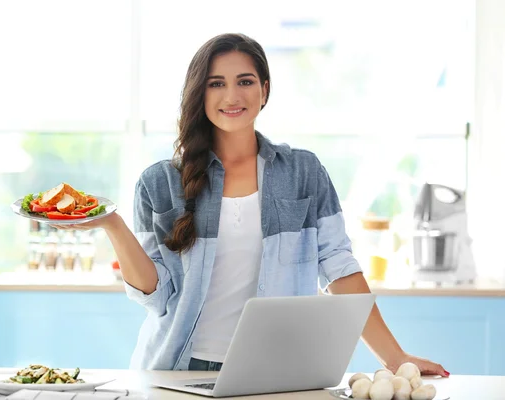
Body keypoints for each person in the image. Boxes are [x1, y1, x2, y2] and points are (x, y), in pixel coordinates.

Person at [53, 33, 449, 376]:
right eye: (216, 84)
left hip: (278, 370)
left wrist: (395, 359)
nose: (232, 96)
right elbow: (155, 297)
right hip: (176, 371)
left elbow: (341, 270)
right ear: (199, 93)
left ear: (264, 89)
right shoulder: (159, 183)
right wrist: (113, 225)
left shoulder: (303, 173)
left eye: (244, 81)